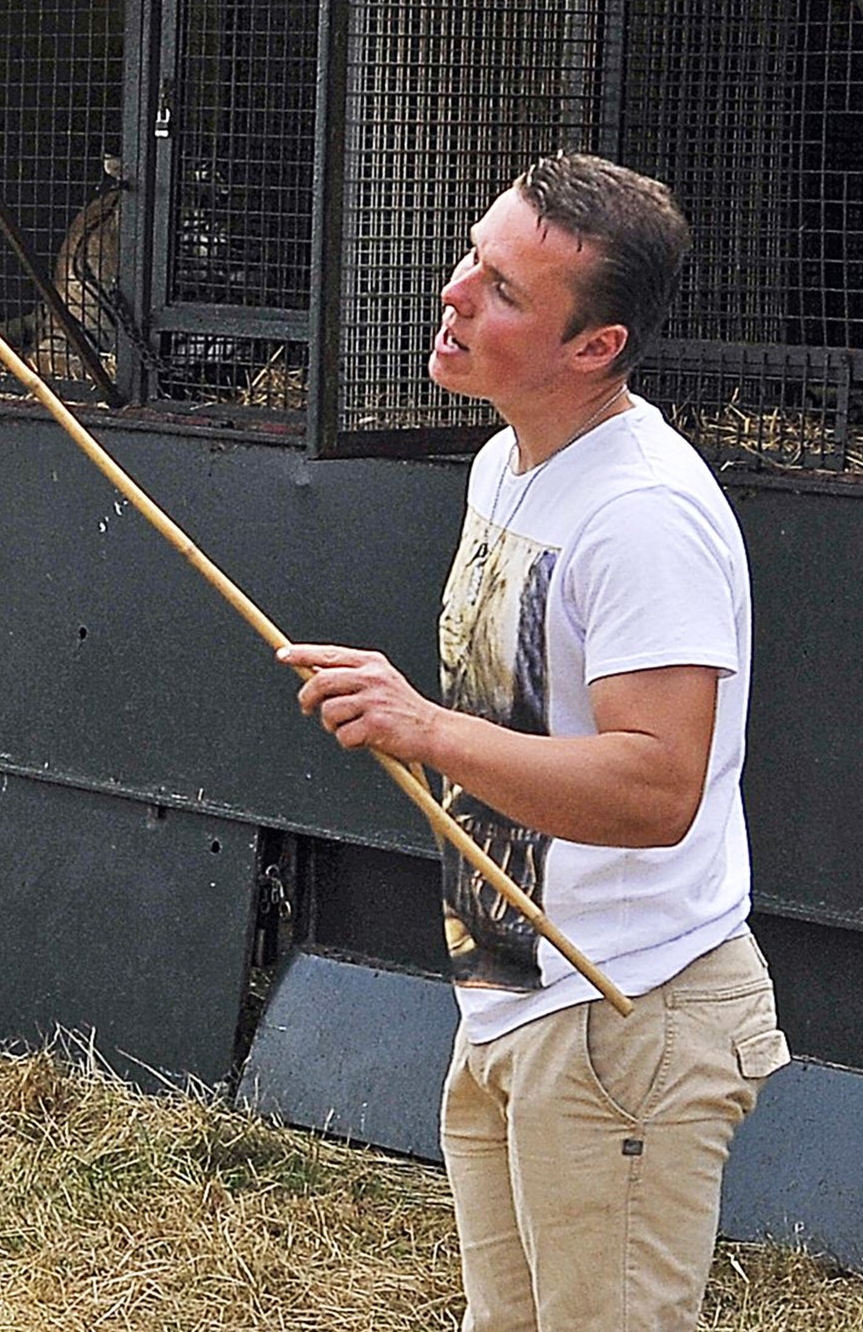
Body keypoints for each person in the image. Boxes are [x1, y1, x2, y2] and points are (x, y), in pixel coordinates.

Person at [279, 152, 790, 1332]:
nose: (453, 291)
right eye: (471, 253)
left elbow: (656, 784)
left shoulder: (641, 517)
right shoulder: (504, 457)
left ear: (593, 347)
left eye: (503, 290)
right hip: (514, 994)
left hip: (627, 1011)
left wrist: (422, 728)